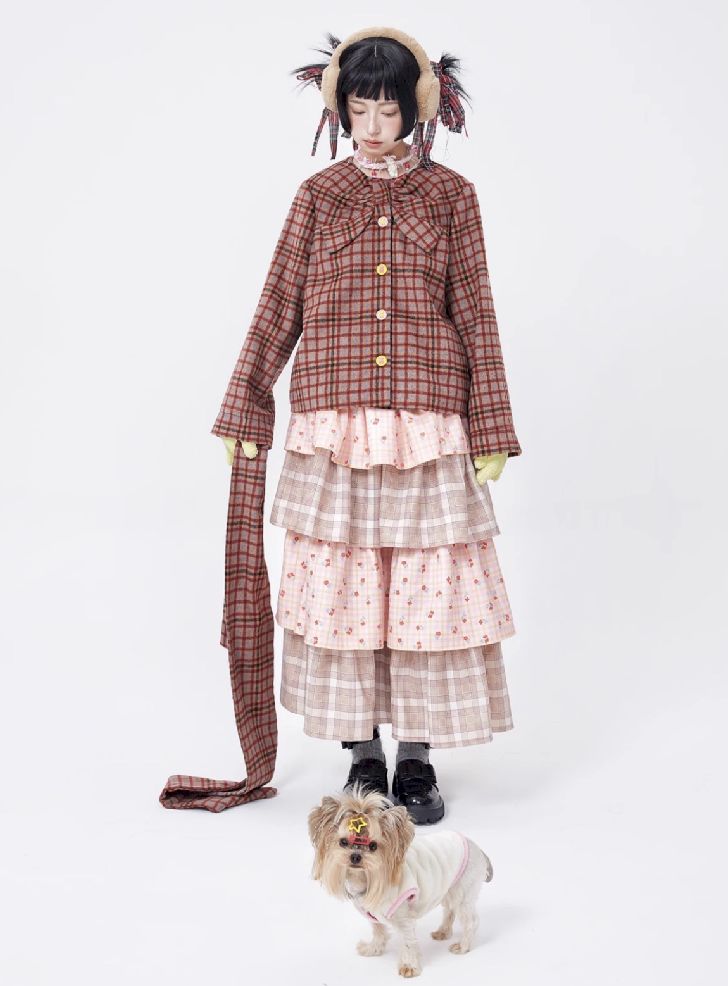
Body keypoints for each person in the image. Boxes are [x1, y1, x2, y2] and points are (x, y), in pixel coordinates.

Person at [160, 26, 522, 821]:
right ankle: (362, 756)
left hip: (427, 421)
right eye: (360, 110)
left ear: (417, 111)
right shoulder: (318, 197)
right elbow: (278, 303)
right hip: (334, 423)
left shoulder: (453, 196)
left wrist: (492, 424)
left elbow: (476, 310)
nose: (373, 126)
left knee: (426, 592)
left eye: (388, 111)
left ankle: (416, 761)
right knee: (346, 590)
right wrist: (245, 399)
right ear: (341, 110)